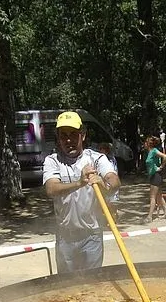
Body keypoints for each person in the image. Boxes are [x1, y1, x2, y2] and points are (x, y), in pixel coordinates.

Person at [42, 110, 120, 273]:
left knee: (92, 283)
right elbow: (51, 189)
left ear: (82, 135)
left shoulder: (96, 158)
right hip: (66, 236)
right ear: (58, 137)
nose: (68, 140)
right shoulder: (52, 161)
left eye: (73, 134)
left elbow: (114, 180)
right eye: (63, 135)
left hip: (92, 235)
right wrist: (79, 182)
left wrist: (104, 185)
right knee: (67, 285)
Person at [144, 136, 166, 222]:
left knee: (152, 197)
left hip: (156, 175)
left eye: (145, 143)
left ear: (148, 144)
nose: (144, 144)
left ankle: (150, 216)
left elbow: (165, 157)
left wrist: (161, 167)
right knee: (159, 195)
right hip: (153, 175)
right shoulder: (150, 152)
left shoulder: (154, 150)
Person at [97, 142, 121, 221]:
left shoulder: (110, 160)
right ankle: (109, 218)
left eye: (101, 149)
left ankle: (113, 219)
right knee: (105, 203)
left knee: (111, 203)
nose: (99, 151)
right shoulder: (99, 159)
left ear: (106, 150)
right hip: (103, 184)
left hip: (110, 183)